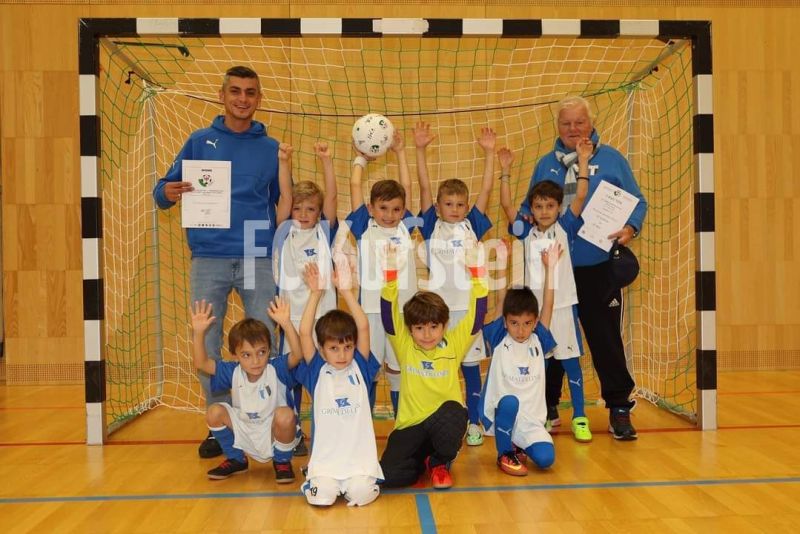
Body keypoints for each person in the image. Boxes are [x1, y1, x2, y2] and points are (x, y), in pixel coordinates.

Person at [152, 65, 283, 458]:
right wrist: (167, 192)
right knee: (207, 342)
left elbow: (282, 203)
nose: (243, 99)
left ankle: (275, 423)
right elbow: (162, 190)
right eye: (235, 91)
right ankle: (220, 425)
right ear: (222, 95)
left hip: (256, 253)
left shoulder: (271, 149)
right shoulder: (199, 141)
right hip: (208, 255)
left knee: (266, 339)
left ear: (259, 99)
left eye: (250, 92)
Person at [523, 95, 648, 440]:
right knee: (549, 338)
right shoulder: (545, 165)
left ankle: (619, 407)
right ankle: (547, 407)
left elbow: (638, 202)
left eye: (579, 122)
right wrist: (522, 220)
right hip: (554, 272)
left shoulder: (612, 159)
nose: (573, 128)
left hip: (598, 267)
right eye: (566, 123)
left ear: (591, 124)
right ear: (557, 127)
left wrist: (630, 228)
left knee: (605, 339)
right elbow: (528, 208)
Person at [499, 142, 592, 443]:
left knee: (571, 362)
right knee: (538, 365)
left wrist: (583, 160)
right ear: (532, 208)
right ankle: (539, 416)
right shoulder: (525, 231)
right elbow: (506, 206)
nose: (544, 211)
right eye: (538, 206)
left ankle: (579, 416)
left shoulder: (565, 226)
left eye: (549, 206)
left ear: (558, 208)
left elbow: (580, 195)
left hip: (563, 306)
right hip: (534, 313)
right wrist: (505, 171)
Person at [379, 244, 488, 489]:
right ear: (410, 329)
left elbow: (477, 315)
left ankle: (439, 461)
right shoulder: (404, 345)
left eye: (433, 327)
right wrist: (390, 278)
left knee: (455, 412)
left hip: (441, 423)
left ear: (444, 325)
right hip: (410, 426)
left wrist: (477, 274)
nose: (427, 334)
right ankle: (423, 460)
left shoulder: (453, 344)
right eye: (419, 328)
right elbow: (388, 316)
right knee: (390, 477)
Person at [413, 122, 495, 447]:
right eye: (449, 204)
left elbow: (485, 191)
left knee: (471, 369)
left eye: (461, 204)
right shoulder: (430, 226)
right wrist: (420, 149)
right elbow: (423, 186)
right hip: (439, 316)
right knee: (439, 372)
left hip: (469, 313)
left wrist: (489, 154)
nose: (455, 209)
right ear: (438, 207)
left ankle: (474, 422)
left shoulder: (472, 224)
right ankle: (436, 425)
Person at [294, 262, 383, 507]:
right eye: (334, 348)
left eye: (347, 347)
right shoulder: (317, 371)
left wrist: (346, 292)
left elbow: (363, 326)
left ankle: (360, 482)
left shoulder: (360, 367)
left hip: (359, 464)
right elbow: (304, 332)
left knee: (362, 495)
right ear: (322, 350)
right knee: (321, 498)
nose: (342, 354)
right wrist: (315, 294)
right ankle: (312, 479)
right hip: (326, 464)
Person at [273, 140, 340, 456]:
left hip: (321, 318)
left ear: (319, 213)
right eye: (298, 208)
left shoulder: (324, 231)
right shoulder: (283, 230)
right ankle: (295, 431)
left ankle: (327, 429)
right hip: (291, 319)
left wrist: (326, 161)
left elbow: (332, 197)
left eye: (310, 209)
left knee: (323, 376)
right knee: (293, 377)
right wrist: (284, 162)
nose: (302, 213)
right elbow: (285, 195)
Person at [190, 296, 301, 482]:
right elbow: (201, 363)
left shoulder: (276, 368)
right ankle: (236, 458)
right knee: (214, 412)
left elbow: (298, 355)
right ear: (235, 355)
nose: (255, 361)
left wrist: (287, 324)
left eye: (261, 352)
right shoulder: (233, 371)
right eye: (247, 355)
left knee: (285, 415)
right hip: (244, 429)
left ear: (269, 350)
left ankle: (282, 461)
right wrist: (199, 333)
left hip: (272, 431)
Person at [345, 132, 416, 415]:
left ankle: (402, 425)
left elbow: (407, 186)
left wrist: (400, 152)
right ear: (371, 208)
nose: (389, 214)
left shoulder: (406, 226)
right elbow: (354, 184)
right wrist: (360, 159)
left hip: (402, 311)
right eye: (383, 208)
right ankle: (365, 424)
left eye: (396, 209)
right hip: (371, 312)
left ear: (403, 210)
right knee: (369, 369)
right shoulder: (364, 227)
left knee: (399, 369)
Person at [479, 242, 560, 476]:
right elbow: (500, 301)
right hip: (501, 411)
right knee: (510, 402)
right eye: (514, 323)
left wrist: (551, 268)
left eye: (527, 323)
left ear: (534, 322)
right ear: (506, 322)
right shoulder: (499, 337)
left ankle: (518, 444)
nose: (521, 330)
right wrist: (502, 263)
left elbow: (548, 304)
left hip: (530, 420)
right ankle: (504, 453)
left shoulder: (539, 339)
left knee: (546, 459)